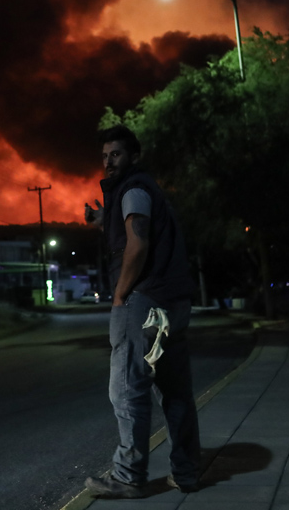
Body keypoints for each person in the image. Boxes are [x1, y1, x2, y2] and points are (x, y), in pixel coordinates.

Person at [83, 125, 201, 498]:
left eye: (115, 154)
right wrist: (104, 220)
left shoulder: (134, 189)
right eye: (104, 156)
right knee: (176, 392)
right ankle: (187, 473)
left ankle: (128, 476)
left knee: (127, 390)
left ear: (132, 155)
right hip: (174, 302)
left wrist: (120, 295)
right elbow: (134, 226)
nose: (108, 162)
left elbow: (138, 243)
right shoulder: (144, 190)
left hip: (145, 301)